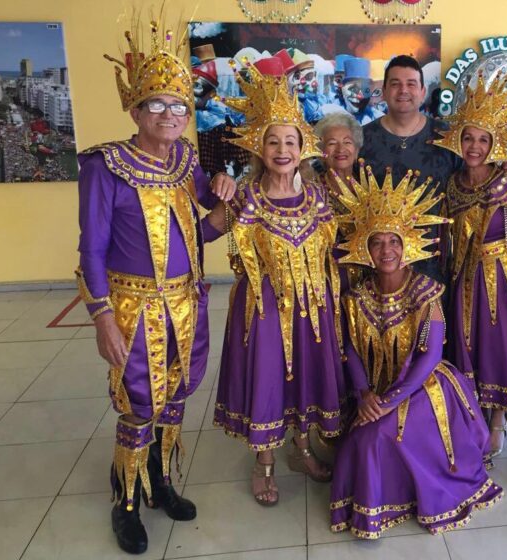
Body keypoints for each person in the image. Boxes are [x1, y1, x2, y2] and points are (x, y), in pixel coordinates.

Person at [76, 16, 235, 554]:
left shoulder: (188, 160)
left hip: (187, 303)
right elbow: (91, 250)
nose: (170, 115)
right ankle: (125, 499)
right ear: (136, 110)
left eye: (179, 106)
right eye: (158, 105)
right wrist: (101, 317)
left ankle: (160, 481)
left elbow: (203, 230)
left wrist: (225, 196)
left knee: (176, 398)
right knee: (139, 403)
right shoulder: (106, 167)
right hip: (131, 305)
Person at [329, 162, 502, 539]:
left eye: (394, 240)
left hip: (423, 388)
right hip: (374, 390)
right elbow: (351, 352)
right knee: (358, 441)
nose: (386, 249)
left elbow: (429, 359)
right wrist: (364, 395)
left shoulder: (427, 292)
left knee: (376, 436)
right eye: (377, 241)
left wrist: (388, 401)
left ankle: (402, 495)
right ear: (364, 247)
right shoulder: (356, 297)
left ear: (408, 245)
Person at [203, 60, 345, 506]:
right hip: (261, 310)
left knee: (305, 375)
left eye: (290, 140)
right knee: (269, 381)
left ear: (303, 146)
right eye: (273, 140)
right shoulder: (244, 196)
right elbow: (199, 233)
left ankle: (302, 449)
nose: (282, 149)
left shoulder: (320, 194)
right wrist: (210, 188)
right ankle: (264, 465)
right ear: (258, 147)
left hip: (314, 304)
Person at [432, 73, 507, 458]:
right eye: (469, 137)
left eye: (484, 139)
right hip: (465, 277)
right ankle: (475, 412)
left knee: (499, 346)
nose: (475, 146)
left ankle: (498, 420)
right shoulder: (452, 185)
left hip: (503, 275)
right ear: (458, 140)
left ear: (495, 143)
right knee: (471, 344)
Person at [359, 55, 460, 283]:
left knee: (433, 320)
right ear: (383, 91)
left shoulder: (447, 138)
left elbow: (478, 178)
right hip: (377, 268)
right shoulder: (361, 139)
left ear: (423, 91)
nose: (403, 90)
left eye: (411, 84)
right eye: (395, 84)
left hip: (434, 265)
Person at [314, 112, 364, 290]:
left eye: (347, 142)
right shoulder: (311, 192)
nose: (340, 149)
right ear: (321, 151)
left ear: (357, 150)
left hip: (369, 283)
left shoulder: (372, 189)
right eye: (332, 143)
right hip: (327, 282)